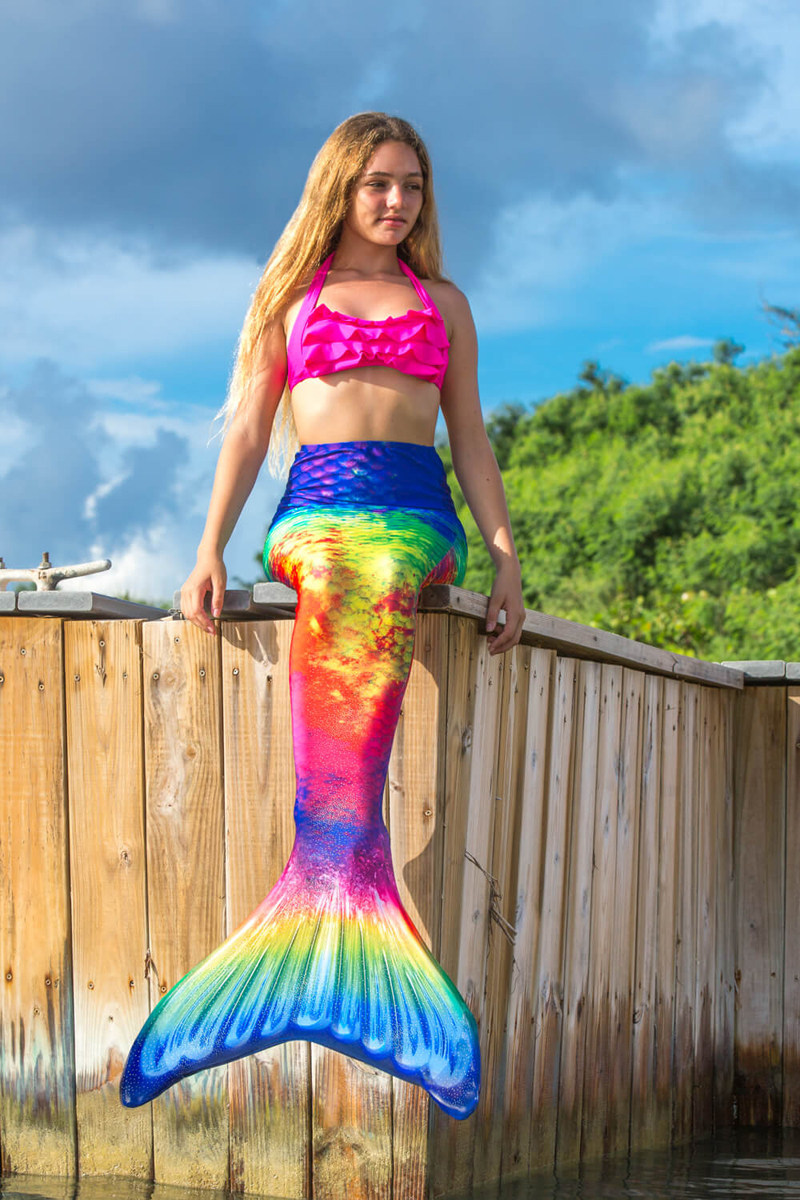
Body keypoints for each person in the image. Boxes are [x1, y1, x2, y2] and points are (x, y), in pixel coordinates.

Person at [120, 112, 525, 1121]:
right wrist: (208, 549)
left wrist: (506, 559)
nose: (397, 201)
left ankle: (330, 871)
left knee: (377, 560)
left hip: (414, 518)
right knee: (345, 559)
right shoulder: (290, 301)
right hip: (316, 513)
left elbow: (469, 437)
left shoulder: (443, 304)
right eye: (379, 183)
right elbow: (248, 430)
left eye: (412, 185)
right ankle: (337, 865)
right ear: (340, 189)